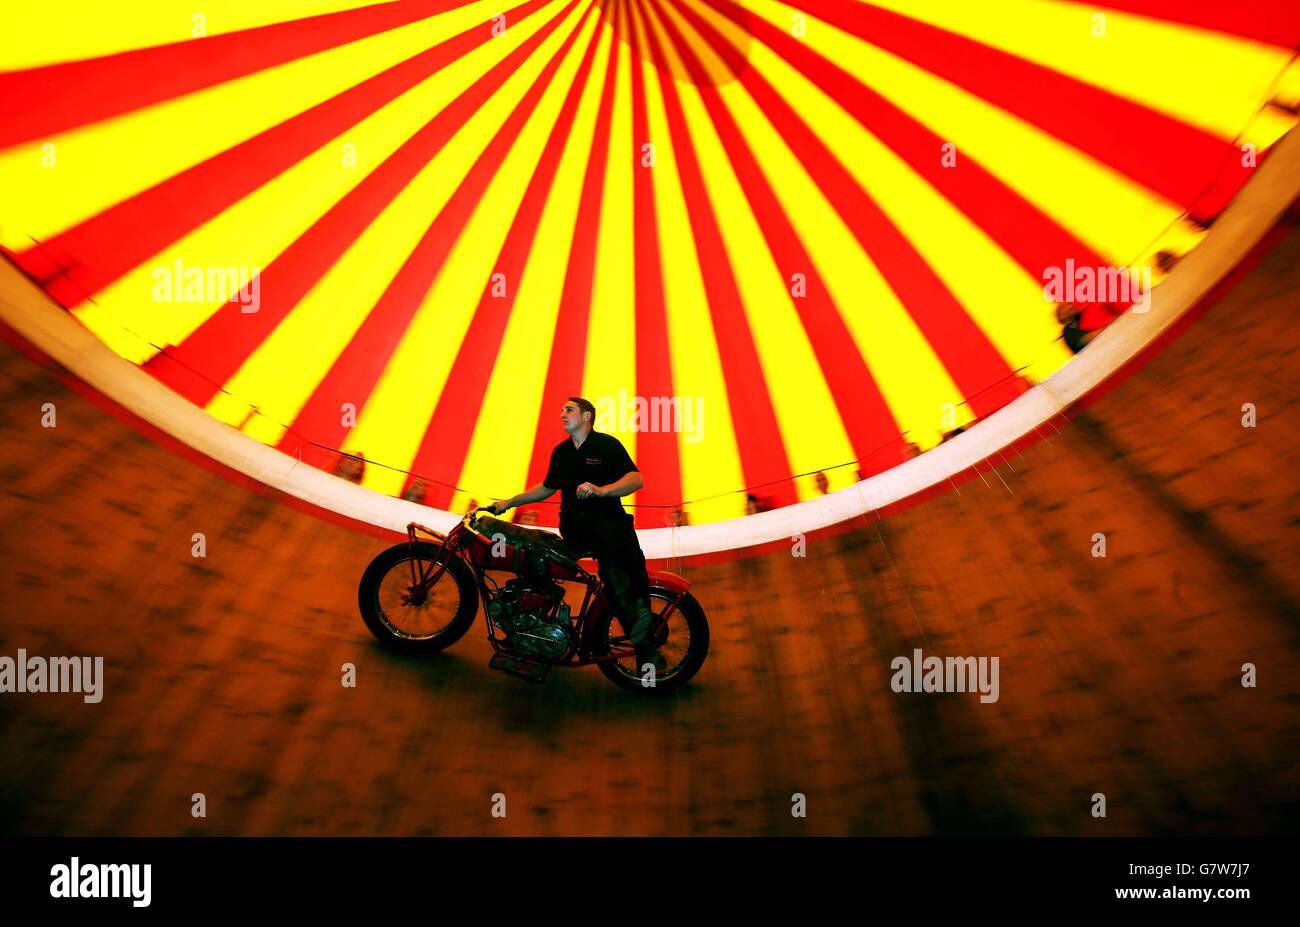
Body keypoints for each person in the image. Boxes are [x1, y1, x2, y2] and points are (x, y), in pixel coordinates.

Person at [483, 397, 665, 673]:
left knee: (627, 567)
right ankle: (539, 629)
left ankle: (643, 641)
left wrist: (602, 490)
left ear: (587, 416)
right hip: (578, 525)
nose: (562, 414)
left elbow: (636, 479)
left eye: (569, 410)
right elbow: (546, 487)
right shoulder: (561, 452)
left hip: (612, 523)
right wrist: (509, 502)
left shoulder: (606, 445)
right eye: (561, 410)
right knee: (599, 550)